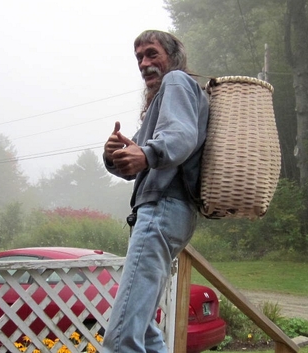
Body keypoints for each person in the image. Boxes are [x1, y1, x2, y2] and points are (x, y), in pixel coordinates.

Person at [101, 30, 209, 353]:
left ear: (173, 57)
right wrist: (113, 154)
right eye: (139, 58)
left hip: (161, 209)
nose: (144, 64)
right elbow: (135, 152)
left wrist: (146, 155)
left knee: (121, 340)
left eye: (151, 54)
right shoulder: (166, 99)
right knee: (144, 330)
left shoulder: (177, 82)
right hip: (172, 213)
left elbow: (181, 136)